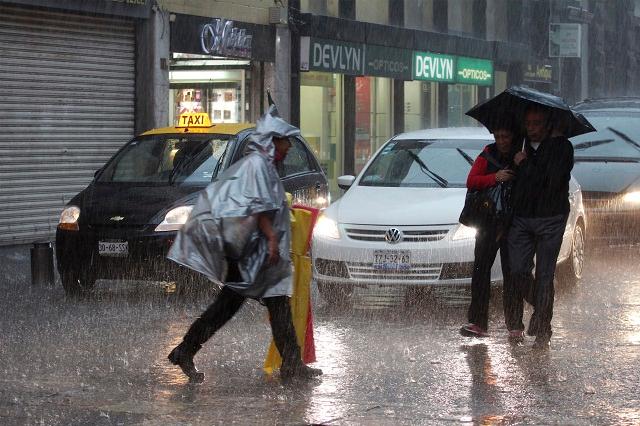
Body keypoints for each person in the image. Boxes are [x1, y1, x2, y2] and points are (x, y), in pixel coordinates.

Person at [166, 106, 323, 382]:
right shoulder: (259, 167)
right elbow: (256, 208)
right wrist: (272, 240)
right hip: (254, 253)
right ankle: (291, 366)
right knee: (260, 305)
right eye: (284, 141)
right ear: (273, 141)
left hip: (252, 252)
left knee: (240, 306)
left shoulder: (261, 165)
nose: (288, 147)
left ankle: (186, 350)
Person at [508, 105, 574, 349]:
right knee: (517, 270)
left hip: (551, 218)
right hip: (523, 217)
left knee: (545, 275)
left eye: (537, 123)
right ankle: (541, 309)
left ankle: (543, 328)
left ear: (547, 125)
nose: (532, 128)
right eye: (529, 123)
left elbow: (550, 180)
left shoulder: (562, 147)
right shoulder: (521, 144)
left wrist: (524, 164)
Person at [460, 126, 522, 339]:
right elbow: (471, 181)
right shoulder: (488, 153)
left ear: (513, 135)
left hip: (514, 224)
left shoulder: (522, 153)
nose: (502, 140)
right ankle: (477, 322)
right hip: (488, 222)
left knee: (512, 274)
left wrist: (522, 167)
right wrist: (495, 177)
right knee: (480, 271)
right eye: (498, 136)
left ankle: (515, 325)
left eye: (505, 135)